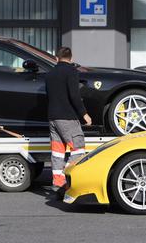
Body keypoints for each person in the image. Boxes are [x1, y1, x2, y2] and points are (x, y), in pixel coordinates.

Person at [45, 46, 92, 197]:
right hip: (67, 117)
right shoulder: (71, 72)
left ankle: (57, 184)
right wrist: (84, 114)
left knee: (57, 152)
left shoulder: (50, 73)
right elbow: (74, 95)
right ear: (71, 59)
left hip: (52, 117)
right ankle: (67, 181)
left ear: (56, 58)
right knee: (78, 149)